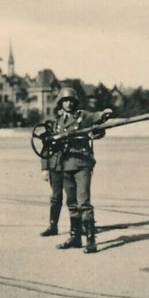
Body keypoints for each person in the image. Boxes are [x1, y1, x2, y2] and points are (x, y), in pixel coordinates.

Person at [51, 87, 113, 254]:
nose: (69, 103)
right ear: (61, 103)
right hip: (65, 165)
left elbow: (94, 116)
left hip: (82, 165)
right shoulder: (58, 122)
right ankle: (75, 237)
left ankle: (91, 241)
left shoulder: (82, 116)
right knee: (71, 203)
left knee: (83, 202)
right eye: (65, 100)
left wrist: (103, 114)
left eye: (71, 100)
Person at [39, 105, 64, 237]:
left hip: (70, 165)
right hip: (55, 167)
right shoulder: (52, 127)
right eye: (59, 109)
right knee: (55, 197)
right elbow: (45, 150)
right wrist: (45, 168)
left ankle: (80, 226)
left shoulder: (74, 123)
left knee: (75, 197)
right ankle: (53, 226)